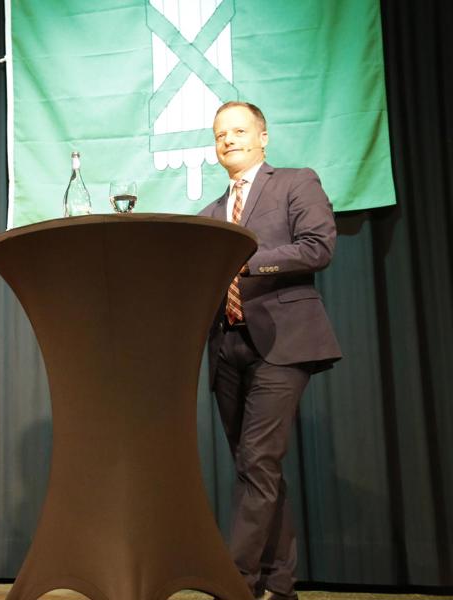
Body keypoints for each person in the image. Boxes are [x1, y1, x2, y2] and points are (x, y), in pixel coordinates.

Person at [199, 101, 342, 600]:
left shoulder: (295, 182)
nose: (228, 140)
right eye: (219, 134)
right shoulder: (210, 216)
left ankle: (235, 583)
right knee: (254, 467)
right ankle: (279, 585)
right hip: (226, 349)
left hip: (283, 342)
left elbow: (317, 247)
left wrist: (247, 261)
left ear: (263, 137)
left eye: (238, 130)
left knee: (258, 460)